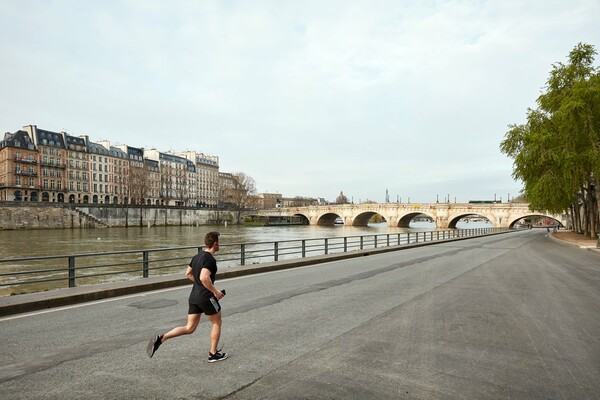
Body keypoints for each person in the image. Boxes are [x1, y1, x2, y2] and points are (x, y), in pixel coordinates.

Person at [147, 231, 228, 362]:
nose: (219, 245)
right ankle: (213, 354)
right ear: (215, 244)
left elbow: (188, 274)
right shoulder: (210, 259)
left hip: (194, 297)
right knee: (217, 322)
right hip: (206, 297)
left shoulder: (196, 257)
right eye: (219, 243)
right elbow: (203, 277)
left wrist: (200, 284)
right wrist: (215, 291)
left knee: (189, 328)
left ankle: (162, 338)